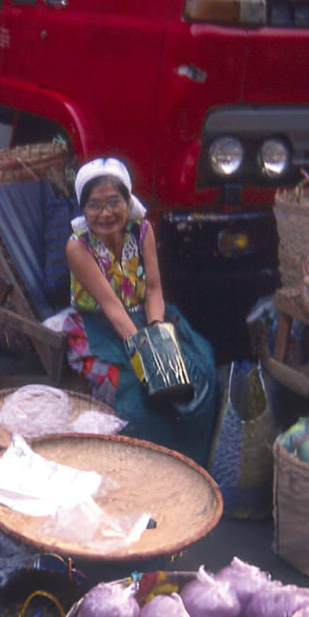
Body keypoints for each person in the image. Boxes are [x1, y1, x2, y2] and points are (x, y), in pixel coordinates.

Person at [63, 157, 219, 464]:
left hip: (148, 316)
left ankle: (190, 465)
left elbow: (154, 290)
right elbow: (111, 306)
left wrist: (158, 332)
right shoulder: (78, 246)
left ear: (127, 200)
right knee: (137, 394)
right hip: (101, 326)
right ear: (83, 209)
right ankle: (144, 469)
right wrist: (147, 355)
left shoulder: (142, 230)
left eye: (113, 201)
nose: (105, 213)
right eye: (95, 205)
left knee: (201, 368)